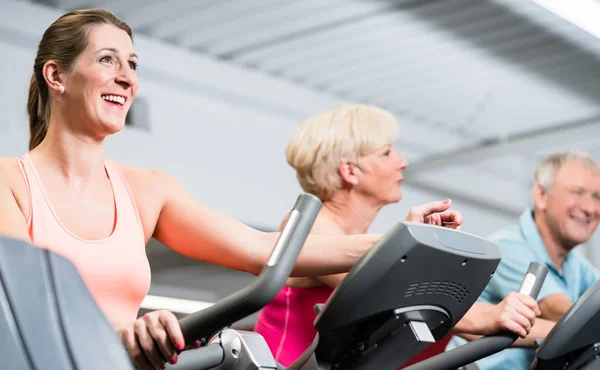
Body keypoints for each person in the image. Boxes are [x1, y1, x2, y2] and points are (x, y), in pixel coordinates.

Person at [0, 9, 492, 370]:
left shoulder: (147, 190)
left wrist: (402, 242)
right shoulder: (9, 182)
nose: (126, 77)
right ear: (56, 75)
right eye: (107, 60)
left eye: (132, 64)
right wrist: (124, 333)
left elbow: (265, 252)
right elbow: (28, 298)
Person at [253, 105, 542, 367]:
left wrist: (566, 330)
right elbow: (393, 294)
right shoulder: (309, 223)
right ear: (350, 170)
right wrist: (489, 316)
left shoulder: (357, 238)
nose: (402, 162)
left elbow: (456, 320)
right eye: (387, 152)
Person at [447, 150, 600, 369]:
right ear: (541, 195)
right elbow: (562, 313)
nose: (590, 208)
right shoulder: (506, 247)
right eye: (577, 192)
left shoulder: (577, 266)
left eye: (597, 196)